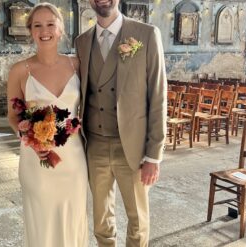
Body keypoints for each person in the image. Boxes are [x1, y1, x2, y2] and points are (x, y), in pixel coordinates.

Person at [75, 0, 167, 246]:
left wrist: (154, 156)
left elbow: (158, 96)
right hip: (94, 144)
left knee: (137, 218)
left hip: (133, 146)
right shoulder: (82, 42)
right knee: (101, 219)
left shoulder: (146, 34)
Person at [7, 3, 88, 247]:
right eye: (38, 25)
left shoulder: (77, 65)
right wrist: (29, 140)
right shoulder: (20, 70)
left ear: (61, 29)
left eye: (51, 24)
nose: (45, 31)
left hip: (73, 160)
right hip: (37, 160)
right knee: (42, 223)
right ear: (31, 31)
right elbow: (13, 116)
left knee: (73, 218)